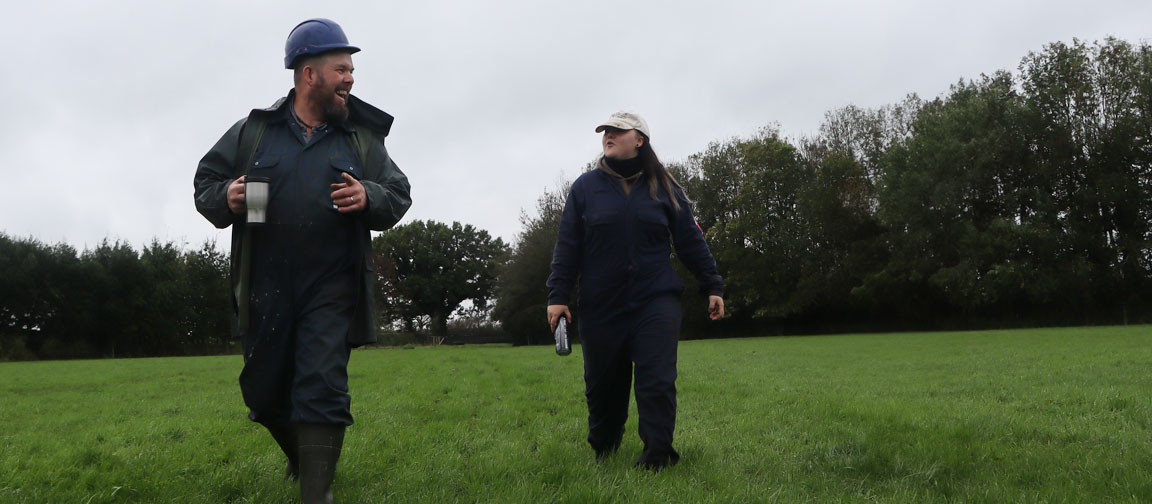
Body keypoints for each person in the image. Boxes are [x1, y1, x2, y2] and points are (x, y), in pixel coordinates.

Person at [193, 18, 411, 503]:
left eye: (352, 69)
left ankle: (317, 491)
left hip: (332, 285)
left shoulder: (360, 138)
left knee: (321, 384)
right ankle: (302, 455)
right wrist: (225, 196)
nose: (350, 78)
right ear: (309, 74)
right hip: (264, 282)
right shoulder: (254, 132)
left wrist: (369, 195)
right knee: (264, 392)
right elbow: (205, 181)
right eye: (342, 69)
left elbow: (399, 192)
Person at [546, 111, 725, 471]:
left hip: (655, 299)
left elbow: (690, 241)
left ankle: (658, 457)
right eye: (605, 131)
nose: (608, 135)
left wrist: (712, 285)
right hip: (601, 302)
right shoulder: (584, 188)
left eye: (617, 131)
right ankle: (604, 447)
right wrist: (558, 296)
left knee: (657, 379)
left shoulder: (666, 187)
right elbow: (568, 246)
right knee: (603, 386)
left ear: (639, 140)